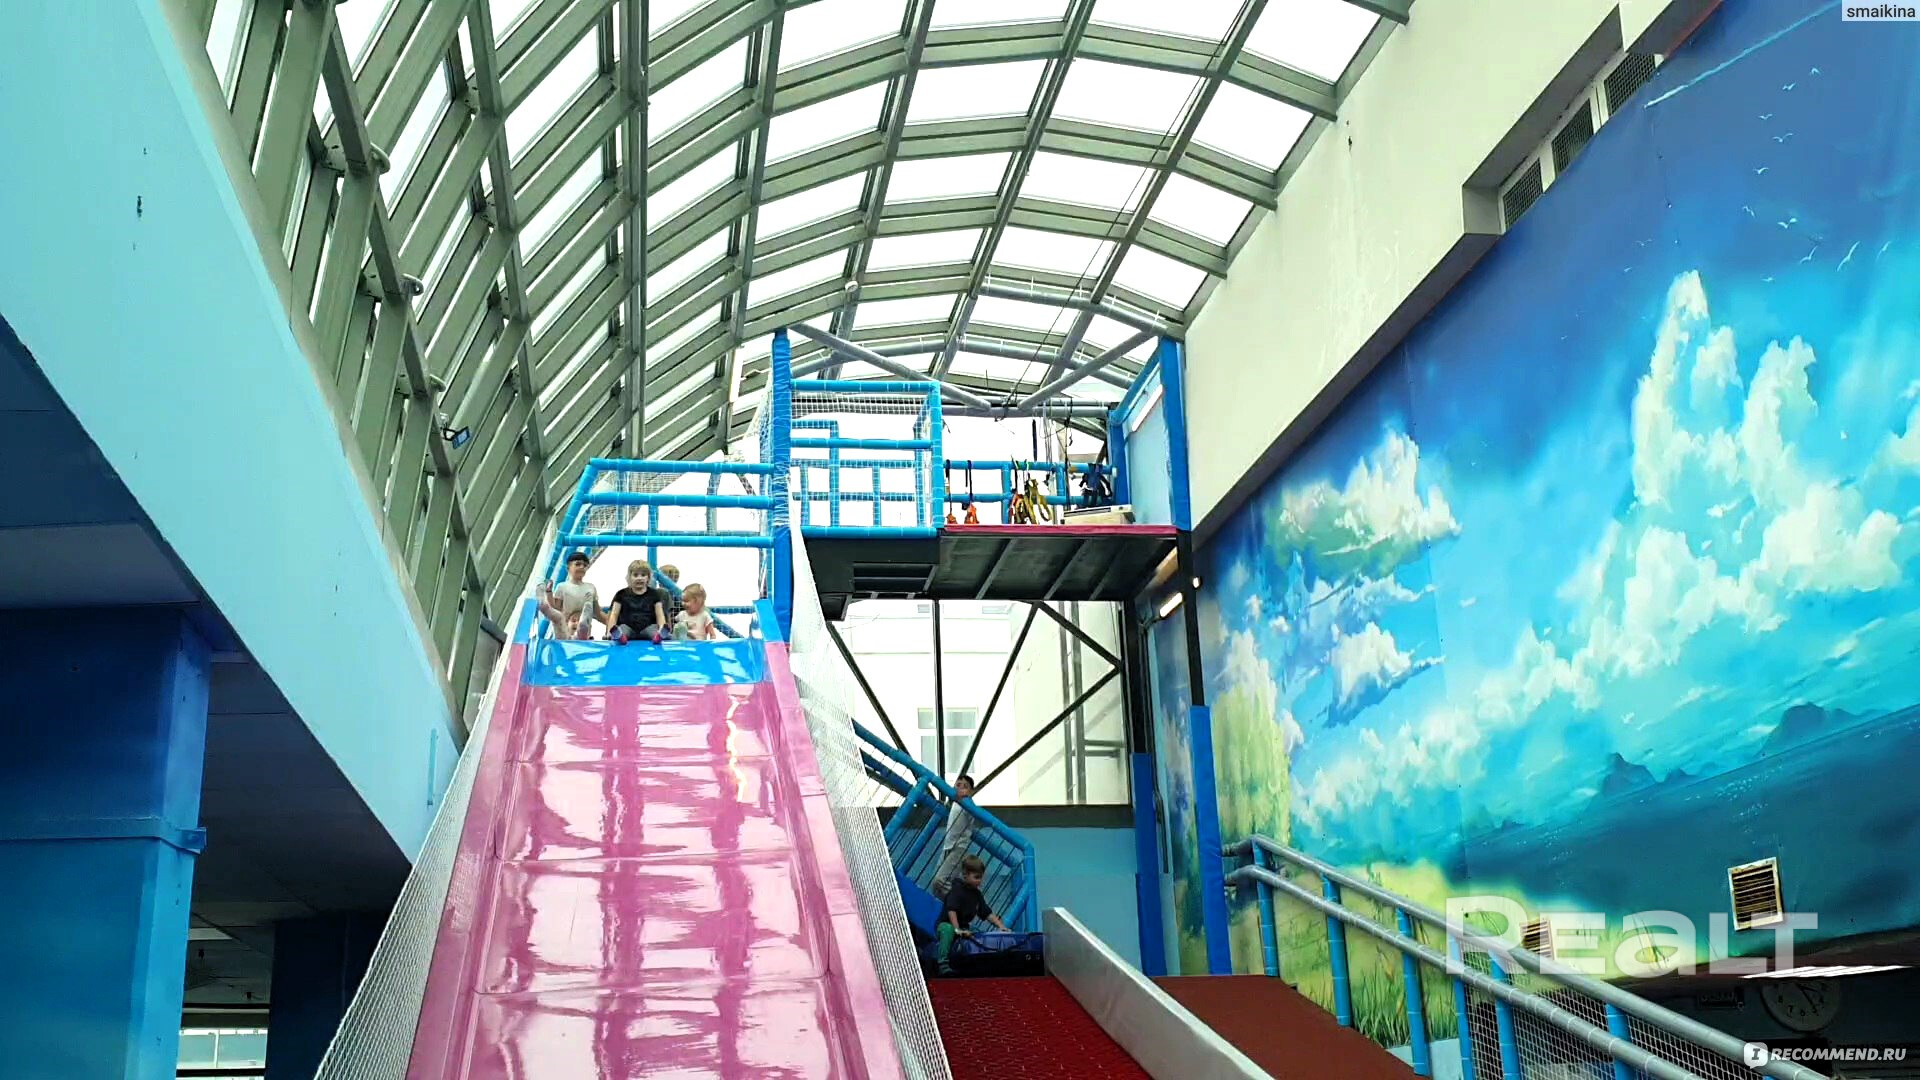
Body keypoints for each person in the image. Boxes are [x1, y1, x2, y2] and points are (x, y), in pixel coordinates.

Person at [935, 855, 1009, 977]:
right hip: (946, 925)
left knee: (976, 936)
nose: (979, 881)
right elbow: (951, 911)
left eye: (981, 877)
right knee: (947, 929)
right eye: (976, 877)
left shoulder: (976, 895)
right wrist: (957, 929)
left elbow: (986, 913)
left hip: (963, 928)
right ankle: (943, 964)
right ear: (966, 875)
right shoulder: (957, 891)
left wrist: (1001, 926)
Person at [930, 773, 978, 898]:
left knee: (940, 880)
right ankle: (945, 904)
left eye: (965, 787)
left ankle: (961, 900)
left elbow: (973, 812)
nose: (960, 788)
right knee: (935, 882)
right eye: (958, 785)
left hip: (958, 847)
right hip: (948, 846)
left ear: (971, 792)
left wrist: (965, 797)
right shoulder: (955, 803)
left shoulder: (968, 803)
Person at [537, 551, 600, 640]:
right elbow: (555, 608)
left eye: (585, 565)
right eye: (578, 564)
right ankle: (543, 605)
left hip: (583, 627)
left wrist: (610, 622)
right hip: (565, 625)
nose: (582, 567)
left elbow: (598, 613)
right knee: (559, 617)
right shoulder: (562, 586)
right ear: (568, 568)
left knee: (579, 626)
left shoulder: (590, 587)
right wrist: (549, 593)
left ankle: (582, 625)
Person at [606, 559, 668, 645]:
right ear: (629, 577)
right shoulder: (621, 594)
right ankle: (620, 637)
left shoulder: (654, 594)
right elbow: (614, 614)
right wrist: (609, 631)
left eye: (643, 575)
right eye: (635, 575)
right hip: (628, 626)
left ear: (648, 578)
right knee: (622, 629)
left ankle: (658, 636)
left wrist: (661, 627)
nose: (639, 578)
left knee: (653, 630)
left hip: (648, 627)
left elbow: (659, 614)